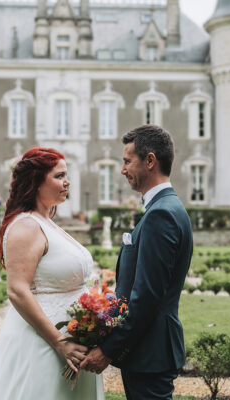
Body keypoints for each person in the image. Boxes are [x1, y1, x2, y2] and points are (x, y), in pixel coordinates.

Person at [0, 147, 103, 399]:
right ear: (35, 181)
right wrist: (59, 341)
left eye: (66, 175)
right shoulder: (26, 226)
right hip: (43, 343)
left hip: (71, 341)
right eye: (59, 176)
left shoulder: (46, 222)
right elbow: (17, 290)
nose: (67, 182)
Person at [81, 125, 194, 400]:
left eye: (127, 161)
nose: (122, 169)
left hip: (150, 350)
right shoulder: (164, 208)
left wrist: (108, 350)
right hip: (148, 349)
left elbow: (146, 298)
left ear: (150, 160)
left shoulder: (161, 215)